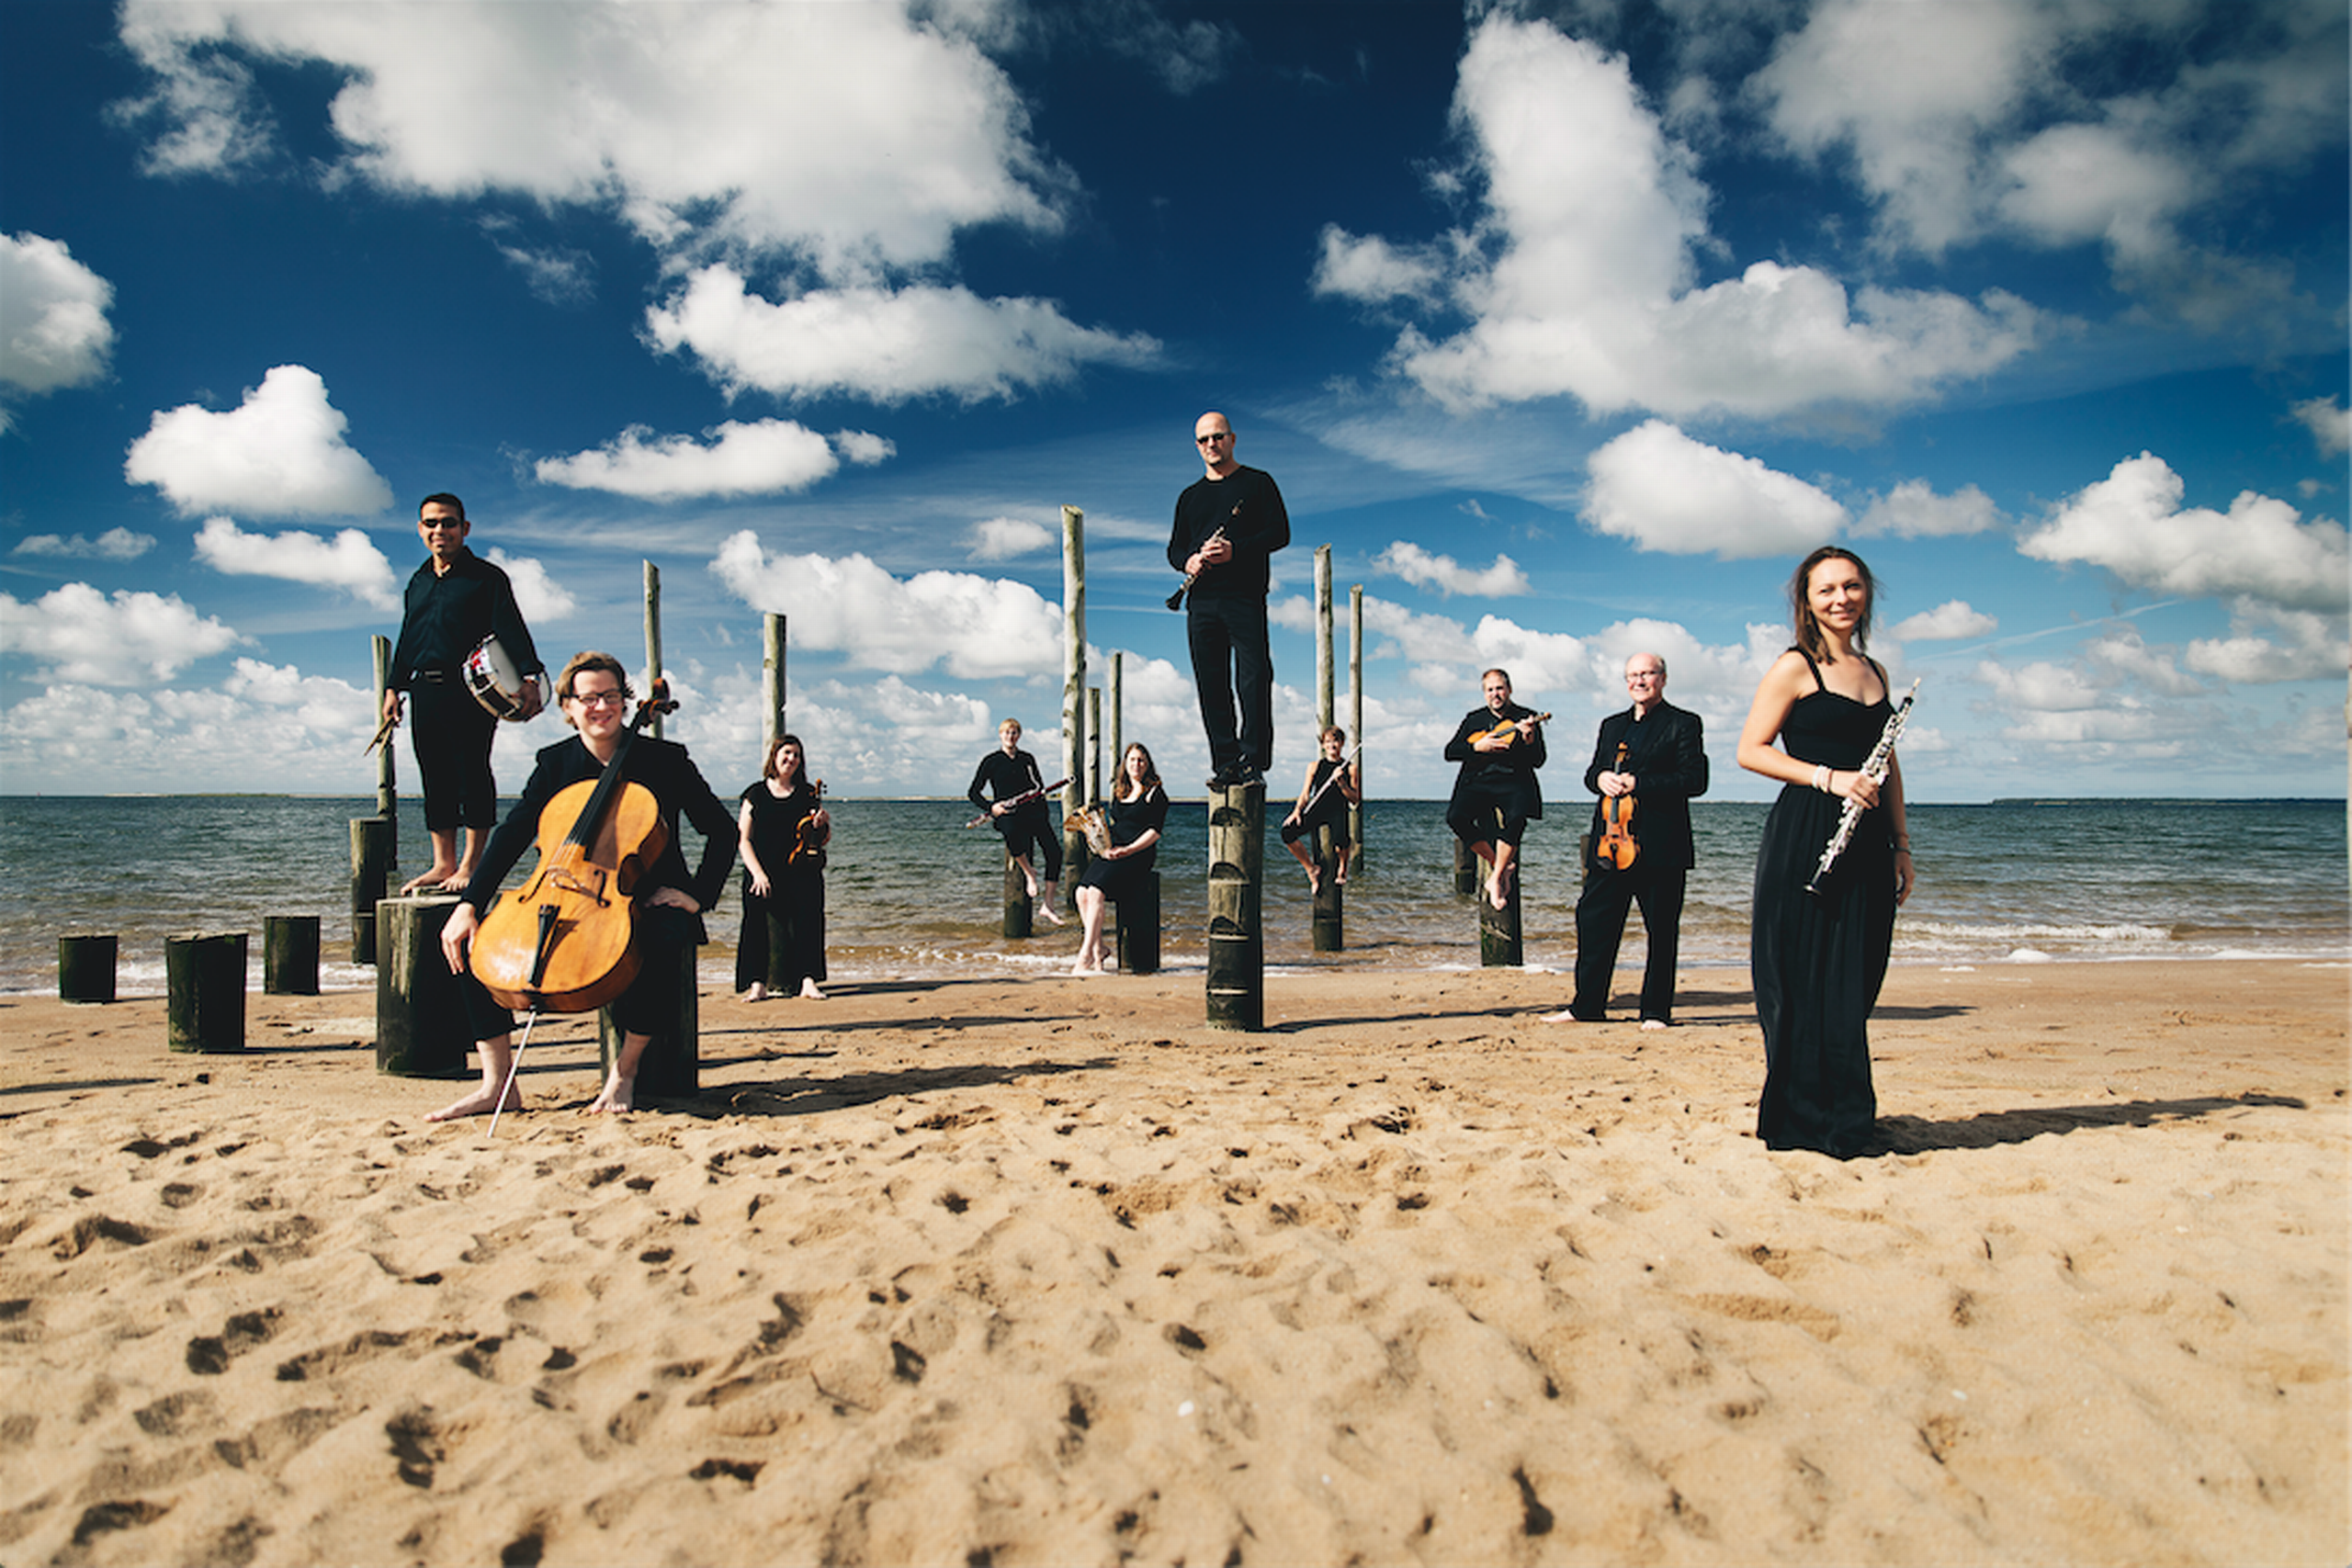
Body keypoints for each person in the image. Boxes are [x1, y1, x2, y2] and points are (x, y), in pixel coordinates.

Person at [426, 651, 735, 1120]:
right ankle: (498, 1085)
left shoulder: (665, 760)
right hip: (564, 892)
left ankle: (624, 1073)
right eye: (589, 698)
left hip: (646, 896)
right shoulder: (554, 763)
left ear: (626, 704)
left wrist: (697, 895)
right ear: (568, 706)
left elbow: (722, 830)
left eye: (611, 696)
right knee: (471, 943)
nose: (601, 707)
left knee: (663, 938)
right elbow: (513, 834)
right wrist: (469, 904)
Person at [1736, 547, 1915, 1158]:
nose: (1841, 598)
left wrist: (1901, 844)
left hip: (1867, 841)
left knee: (1855, 979)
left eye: (1852, 586)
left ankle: (1846, 1115)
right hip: (1808, 828)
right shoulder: (1794, 666)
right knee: (1805, 979)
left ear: (1867, 593)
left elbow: (1887, 765)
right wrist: (1829, 777)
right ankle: (1801, 1118)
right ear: (1806, 602)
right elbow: (1751, 750)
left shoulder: (1876, 672)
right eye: (1827, 589)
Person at [382, 492, 544, 894]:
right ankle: (443, 864)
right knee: (434, 776)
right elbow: (409, 637)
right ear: (421, 530)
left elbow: (510, 627)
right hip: (424, 689)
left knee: (472, 772)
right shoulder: (417, 581)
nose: (441, 530)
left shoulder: (487, 577)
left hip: (470, 691)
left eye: (449, 523)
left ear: (464, 528)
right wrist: (393, 687)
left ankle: (471, 865)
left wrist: (529, 675)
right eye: (432, 523)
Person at [1560, 653, 1709, 1029]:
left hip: (1661, 845)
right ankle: (1587, 1006)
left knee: (1660, 930)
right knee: (1592, 921)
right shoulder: (1612, 725)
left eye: (1646, 673)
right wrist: (1601, 780)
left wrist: (1637, 783)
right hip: (1611, 843)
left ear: (1663, 678)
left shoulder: (1683, 723)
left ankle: (1656, 1011)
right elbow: (1593, 770)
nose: (1638, 681)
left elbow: (1695, 780)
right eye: (1632, 675)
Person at [1168, 411, 1289, 789]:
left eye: (1217, 437)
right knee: (1211, 684)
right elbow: (1174, 549)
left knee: (1254, 679)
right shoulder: (1189, 497)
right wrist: (1188, 560)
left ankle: (1253, 762)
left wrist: (1236, 550)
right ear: (1196, 446)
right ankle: (1225, 764)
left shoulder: (1258, 483)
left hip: (1244, 597)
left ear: (1232, 439)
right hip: (1201, 601)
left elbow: (1280, 533)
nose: (1211, 445)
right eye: (1203, 440)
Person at [737, 734, 831, 1002]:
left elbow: (820, 839)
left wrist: (823, 822)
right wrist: (757, 872)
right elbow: (743, 838)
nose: (791, 759)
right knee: (755, 925)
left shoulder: (807, 793)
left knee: (809, 922)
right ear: (775, 756)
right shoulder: (755, 793)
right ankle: (757, 984)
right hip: (762, 869)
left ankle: (808, 981)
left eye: (797, 755)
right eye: (787, 753)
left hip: (801, 868)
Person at [1444, 669, 1546, 912]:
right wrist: (1477, 747)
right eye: (1490, 690)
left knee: (1518, 815)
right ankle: (1499, 864)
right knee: (1455, 818)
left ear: (1509, 689)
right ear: (1484, 694)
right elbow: (1450, 752)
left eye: (1499, 688)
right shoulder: (1473, 719)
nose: (1495, 694)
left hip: (1513, 780)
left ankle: (1496, 878)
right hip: (1477, 781)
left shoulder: (1526, 717)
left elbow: (1539, 760)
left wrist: (1530, 739)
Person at [1071, 742, 1170, 976]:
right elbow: (1116, 826)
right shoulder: (1120, 792)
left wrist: (1129, 850)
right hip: (1113, 852)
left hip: (1138, 855)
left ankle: (1085, 955)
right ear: (1125, 764)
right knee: (1080, 893)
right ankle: (1100, 949)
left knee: (1095, 892)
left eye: (1141, 760)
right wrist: (1100, 845)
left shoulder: (1155, 793)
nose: (1136, 764)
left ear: (1148, 765)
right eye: (1132, 760)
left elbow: (1155, 831)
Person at [967, 718, 1063, 925]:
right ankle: (1029, 872)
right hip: (1007, 814)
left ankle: (1048, 904)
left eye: (1014, 733)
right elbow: (973, 793)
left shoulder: (1027, 758)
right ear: (1000, 735)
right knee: (1010, 831)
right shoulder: (990, 761)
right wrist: (991, 807)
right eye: (1007, 733)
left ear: (1019, 735)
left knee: (1055, 852)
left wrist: (1043, 814)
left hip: (1034, 812)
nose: (1011, 736)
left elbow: (1039, 787)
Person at [1280, 725, 1359, 892]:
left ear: (1342, 743)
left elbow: (1355, 799)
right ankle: (1311, 869)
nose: (1332, 745)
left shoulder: (1350, 768)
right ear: (1323, 745)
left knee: (1341, 840)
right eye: (1328, 742)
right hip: (1318, 807)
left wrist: (1342, 783)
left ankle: (1343, 868)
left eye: (1335, 741)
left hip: (1337, 810)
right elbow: (1305, 794)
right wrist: (1297, 811)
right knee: (1287, 832)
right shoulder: (1314, 766)